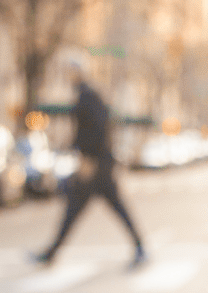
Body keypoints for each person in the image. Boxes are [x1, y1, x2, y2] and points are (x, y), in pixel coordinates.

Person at [30, 57, 147, 268]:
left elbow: (99, 129)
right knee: (76, 210)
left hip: (95, 165)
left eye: (70, 71)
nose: (67, 76)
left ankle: (140, 248)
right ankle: (52, 252)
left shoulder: (88, 96)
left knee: (101, 208)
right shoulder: (84, 95)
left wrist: (88, 159)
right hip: (96, 163)